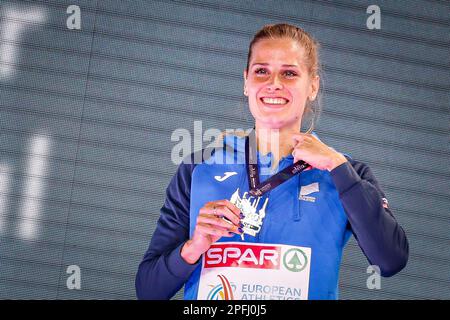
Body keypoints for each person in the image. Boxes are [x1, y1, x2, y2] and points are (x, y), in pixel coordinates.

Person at [135, 23, 409, 300]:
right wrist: (193, 248)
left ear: (313, 85)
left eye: (289, 73)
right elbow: (148, 290)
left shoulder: (346, 173)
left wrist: (337, 166)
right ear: (246, 82)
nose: (274, 83)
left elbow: (391, 260)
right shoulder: (199, 167)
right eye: (261, 71)